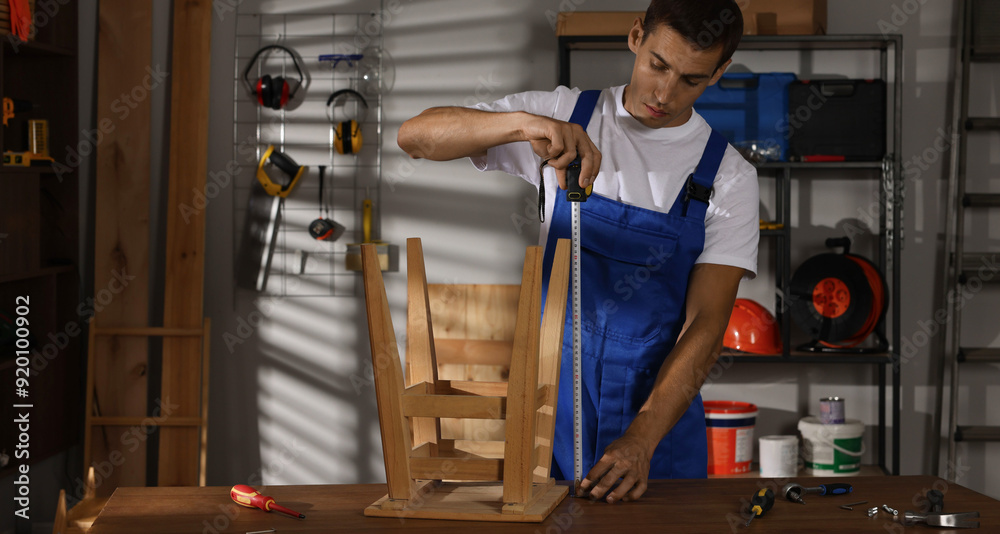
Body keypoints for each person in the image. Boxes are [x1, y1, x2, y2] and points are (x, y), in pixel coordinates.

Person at [397, 0, 757, 504]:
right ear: (636, 36)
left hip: (655, 408)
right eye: (658, 64)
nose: (664, 93)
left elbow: (707, 323)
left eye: (691, 80)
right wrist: (523, 125)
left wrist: (643, 438)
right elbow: (416, 137)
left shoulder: (728, 176)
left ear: (719, 73)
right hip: (551, 399)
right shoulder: (567, 114)